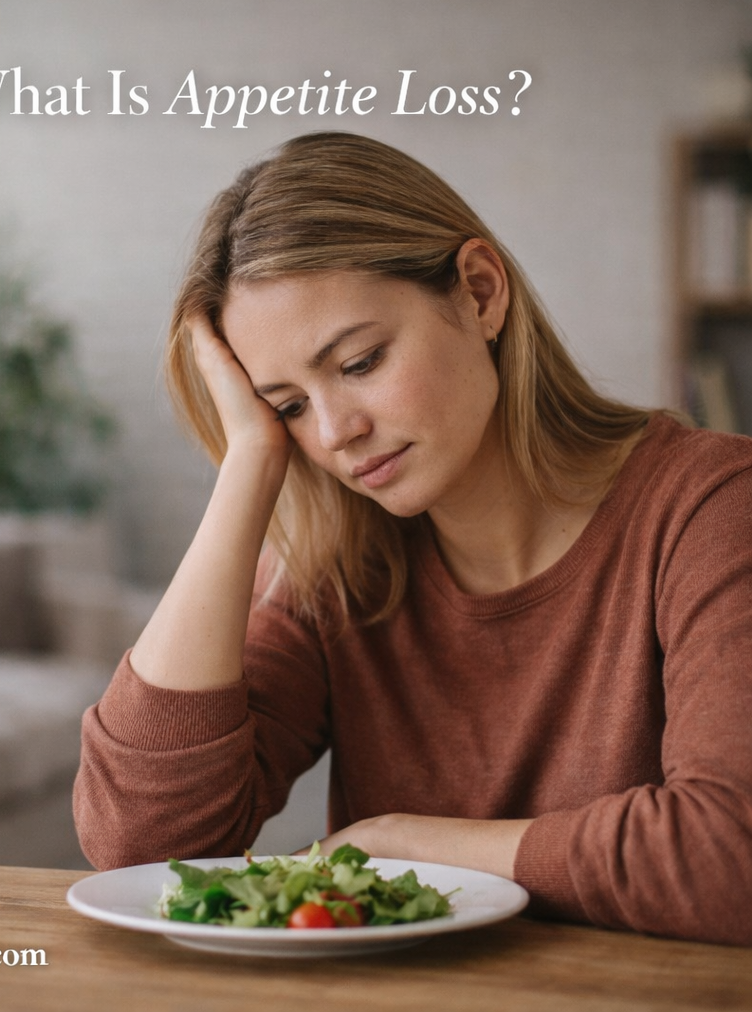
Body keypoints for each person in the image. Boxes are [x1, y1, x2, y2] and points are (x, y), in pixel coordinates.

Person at [73, 132, 752, 946]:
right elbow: (142, 849)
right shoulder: (335, 567)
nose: (335, 432)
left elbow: (729, 858)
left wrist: (407, 844)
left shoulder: (712, 509)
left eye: (359, 362)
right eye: (287, 405)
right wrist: (250, 466)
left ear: (479, 291)